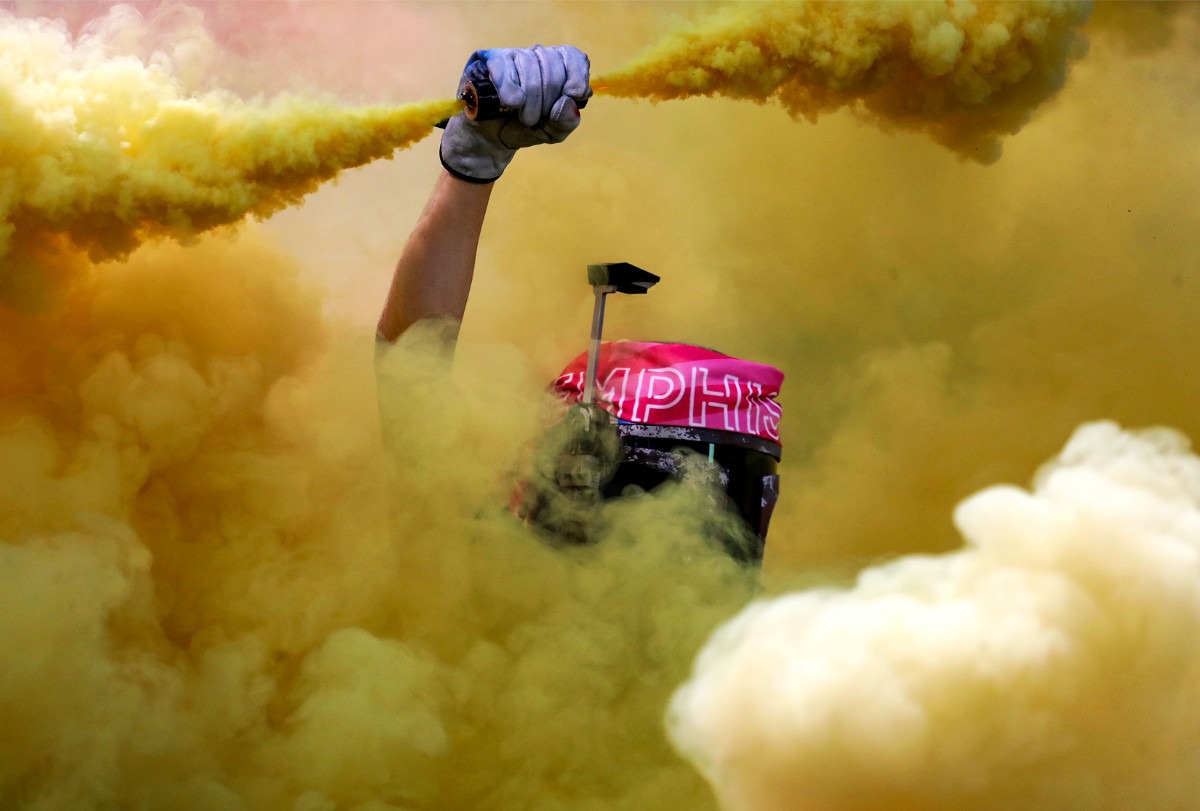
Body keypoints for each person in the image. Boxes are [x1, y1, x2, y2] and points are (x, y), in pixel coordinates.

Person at [377, 46, 783, 564]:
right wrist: (471, 165)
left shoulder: (787, 642)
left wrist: (472, 166)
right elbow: (412, 376)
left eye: (722, 494)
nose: (684, 532)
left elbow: (409, 375)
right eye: (640, 483)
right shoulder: (487, 595)